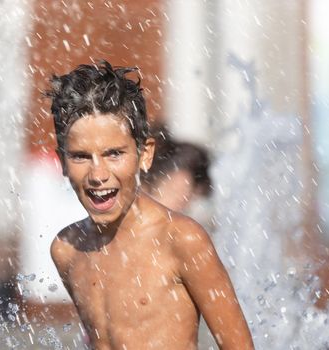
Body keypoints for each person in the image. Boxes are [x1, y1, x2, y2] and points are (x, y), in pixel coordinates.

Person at [47, 61, 253, 349]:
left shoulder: (180, 240)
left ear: (145, 155)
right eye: (81, 156)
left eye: (114, 154)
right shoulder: (67, 249)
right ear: (62, 162)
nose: (98, 174)